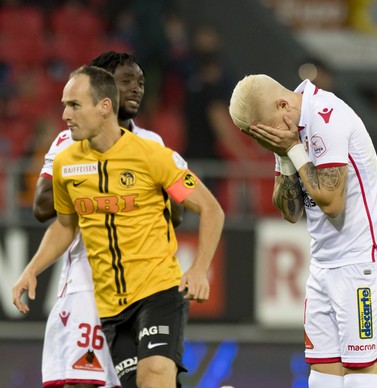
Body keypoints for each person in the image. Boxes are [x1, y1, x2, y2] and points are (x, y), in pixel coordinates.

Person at [13, 65, 225, 388]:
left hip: (158, 291)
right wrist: (32, 269)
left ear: (104, 107)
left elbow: (210, 209)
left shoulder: (151, 156)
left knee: (153, 376)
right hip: (111, 305)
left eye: (74, 105)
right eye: (64, 105)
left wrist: (199, 269)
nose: (65, 114)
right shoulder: (66, 163)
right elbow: (65, 226)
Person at [229, 74, 377, 388]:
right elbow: (290, 212)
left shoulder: (327, 114)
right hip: (323, 265)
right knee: (322, 375)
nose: (268, 141)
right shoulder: (285, 130)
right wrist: (284, 155)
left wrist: (293, 149)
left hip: (361, 262)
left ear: (283, 105)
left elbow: (332, 202)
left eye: (267, 135)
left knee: (359, 372)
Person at [33, 52, 183, 388]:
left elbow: (178, 212)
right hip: (85, 284)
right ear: (102, 91)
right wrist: (96, 180)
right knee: (79, 383)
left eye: (141, 83)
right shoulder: (69, 143)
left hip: (140, 288)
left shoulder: (151, 144)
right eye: (126, 81)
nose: (136, 89)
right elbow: (43, 207)